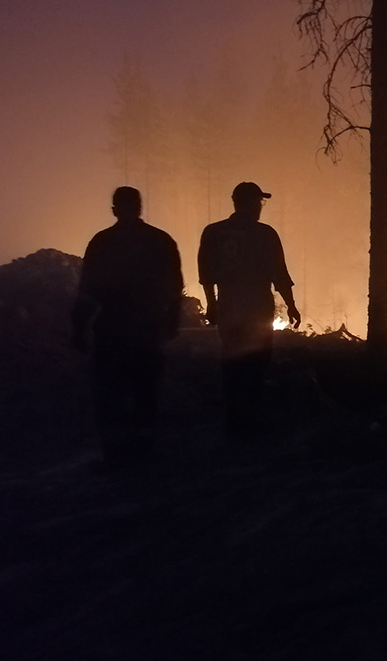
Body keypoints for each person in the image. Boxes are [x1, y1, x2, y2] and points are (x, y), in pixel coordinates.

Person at [72, 186, 183, 465]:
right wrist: (172, 320)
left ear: (114, 210)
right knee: (146, 389)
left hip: (112, 328)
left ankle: (116, 451)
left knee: (111, 391)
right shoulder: (160, 241)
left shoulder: (103, 242)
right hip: (148, 328)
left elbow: (88, 289)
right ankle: (144, 448)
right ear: (140, 207)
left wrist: (79, 326)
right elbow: (175, 287)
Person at [198, 181, 300, 438]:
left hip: (229, 307)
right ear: (252, 203)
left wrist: (212, 304)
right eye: (259, 202)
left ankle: (234, 420)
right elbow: (280, 274)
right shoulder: (265, 234)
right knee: (256, 363)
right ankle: (250, 419)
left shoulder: (214, 232)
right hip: (257, 309)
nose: (260, 207)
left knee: (232, 361)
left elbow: (206, 274)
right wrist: (291, 306)